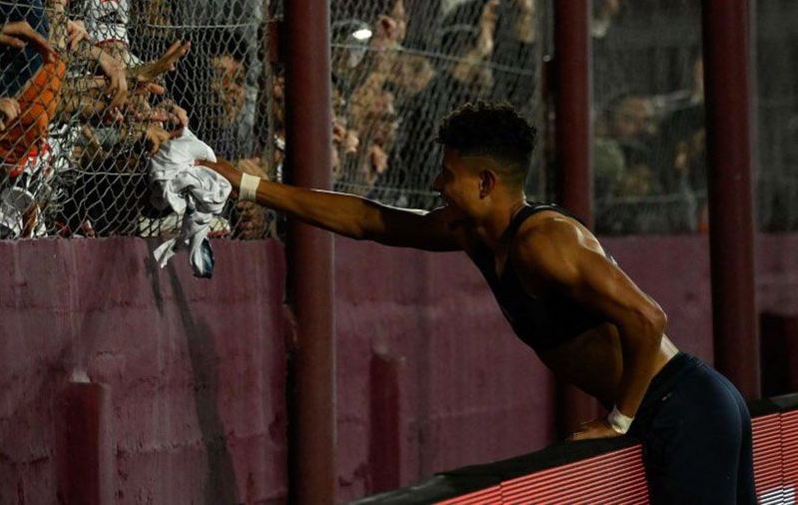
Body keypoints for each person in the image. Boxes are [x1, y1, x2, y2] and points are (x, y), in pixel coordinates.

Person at [198, 101, 756, 504]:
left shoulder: (545, 241)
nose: (439, 184)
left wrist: (619, 423)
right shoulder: (475, 233)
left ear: (486, 182)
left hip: (685, 408)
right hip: (684, 408)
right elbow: (370, 219)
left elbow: (648, 317)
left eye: (450, 173)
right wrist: (250, 188)